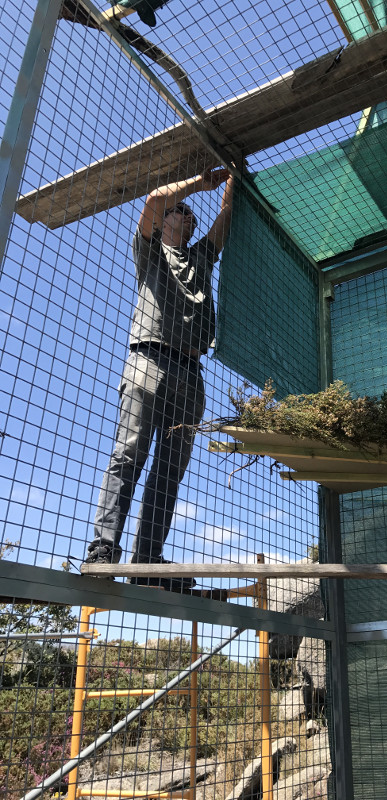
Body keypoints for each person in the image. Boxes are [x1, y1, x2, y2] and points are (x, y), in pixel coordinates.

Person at [83, 168, 234, 592]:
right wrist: (197, 184)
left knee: (170, 470)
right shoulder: (150, 252)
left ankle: (148, 562)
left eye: (189, 214)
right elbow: (152, 201)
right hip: (149, 360)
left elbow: (224, 219)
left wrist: (233, 177)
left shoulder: (199, 257)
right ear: (165, 222)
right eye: (178, 211)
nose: (185, 215)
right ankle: (102, 550)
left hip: (191, 372)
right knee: (129, 453)